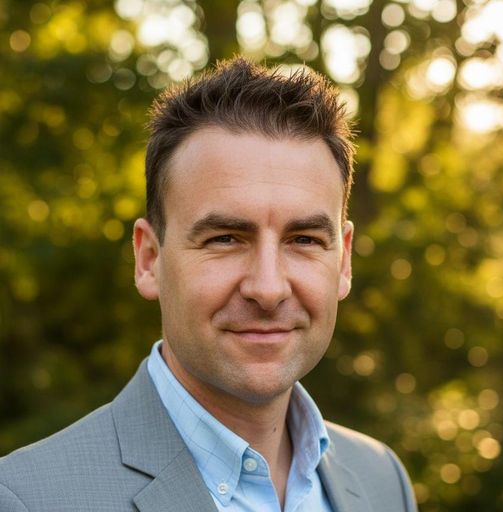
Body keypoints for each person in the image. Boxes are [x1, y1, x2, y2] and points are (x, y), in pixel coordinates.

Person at [0, 57, 417, 512]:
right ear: (149, 260)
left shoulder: (382, 479)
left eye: (304, 239)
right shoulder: (26, 499)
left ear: (343, 261)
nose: (268, 289)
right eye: (225, 239)